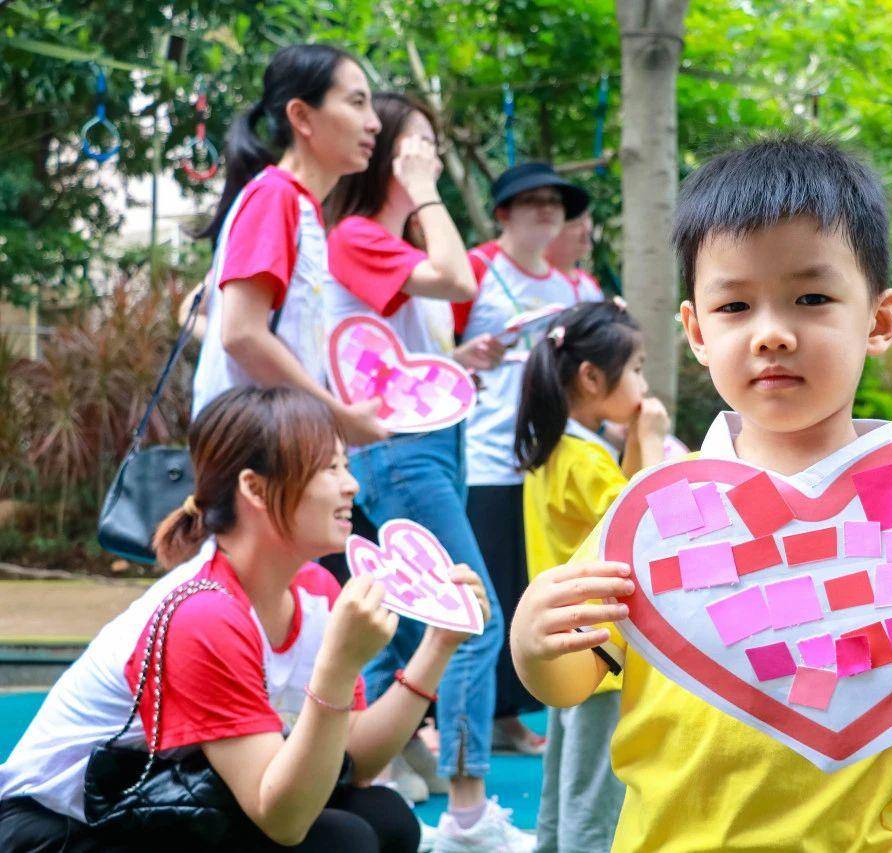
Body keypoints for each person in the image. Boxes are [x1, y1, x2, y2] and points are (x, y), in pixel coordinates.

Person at [510, 137, 892, 852]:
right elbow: (571, 679)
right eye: (735, 305)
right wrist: (532, 639)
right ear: (697, 330)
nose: (772, 334)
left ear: (880, 320)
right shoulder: (660, 512)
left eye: (812, 298)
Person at [0, 386, 490, 852]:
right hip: (58, 830)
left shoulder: (314, 591)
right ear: (254, 488)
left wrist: (439, 643)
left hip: (156, 799)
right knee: (338, 841)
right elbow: (281, 817)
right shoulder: (204, 612)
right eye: (328, 468)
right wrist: (339, 669)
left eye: (345, 464)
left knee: (384, 815)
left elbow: (354, 761)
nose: (351, 484)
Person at [324, 92, 528, 849]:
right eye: (418, 145)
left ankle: (381, 779)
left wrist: (460, 361)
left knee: (391, 618)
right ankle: (467, 815)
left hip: (425, 444)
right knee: (470, 614)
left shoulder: (382, 244)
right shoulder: (357, 233)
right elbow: (461, 276)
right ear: (387, 157)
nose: (430, 159)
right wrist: (429, 190)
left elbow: (403, 349)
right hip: (404, 453)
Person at [453, 163, 599, 754]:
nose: (546, 210)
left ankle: (512, 715)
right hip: (484, 458)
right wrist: (464, 353)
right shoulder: (474, 269)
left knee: (536, 589)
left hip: (555, 464)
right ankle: (473, 726)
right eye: (530, 200)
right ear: (503, 213)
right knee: (490, 591)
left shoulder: (580, 290)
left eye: (555, 202)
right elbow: (430, 350)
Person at [514, 300, 669, 853]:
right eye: (636, 368)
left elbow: (616, 511)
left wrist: (632, 441)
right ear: (591, 377)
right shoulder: (584, 461)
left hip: (568, 652)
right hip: (598, 653)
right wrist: (650, 437)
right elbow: (652, 524)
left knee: (562, 796)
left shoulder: (562, 451)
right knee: (595, 808)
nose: (643, 383)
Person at [189, 44, 386, 449]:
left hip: (278, 447)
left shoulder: (296, 206)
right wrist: (338, 417)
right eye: (357, 103)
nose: (374, 124)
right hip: (256, 453)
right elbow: (242, 334)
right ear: (301, 116)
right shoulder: (274, 197)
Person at [545, 208, 604, 301]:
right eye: (577, 223)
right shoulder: (528, 285)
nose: (587, 229)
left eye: (587, 217)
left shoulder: (588, 284)